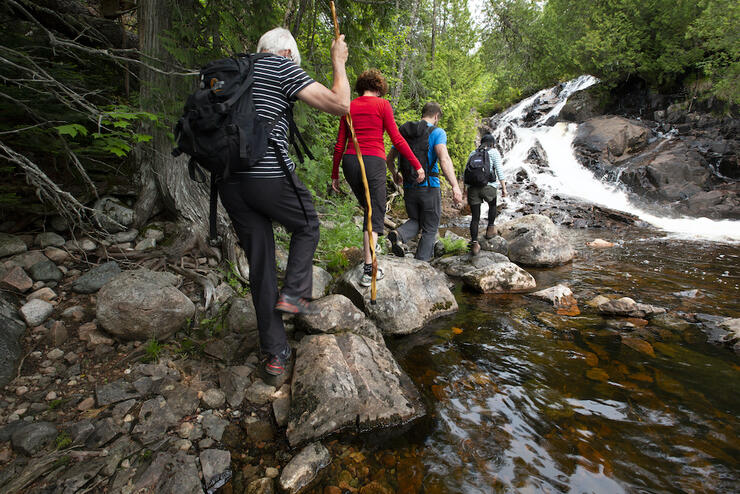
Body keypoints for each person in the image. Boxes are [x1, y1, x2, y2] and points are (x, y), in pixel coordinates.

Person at [216, 27, 350, 378]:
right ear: (288, 53)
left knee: (260, 264)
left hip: (229, 183)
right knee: (307, 224)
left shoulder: (235, 70)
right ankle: (293, 296)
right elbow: (340, 105)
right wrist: (339, 61)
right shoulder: (281, 65)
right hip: (267, 176)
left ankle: (276, 354)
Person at [332, 69, 425, 286]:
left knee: (369, 210)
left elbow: (339, 143)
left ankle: (370, 257)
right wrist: (417, 165)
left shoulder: (349, 106)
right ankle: (369, 270)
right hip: (372, 162)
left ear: (361, 86)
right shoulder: (382, 105)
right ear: (379, 88)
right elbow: (397, 140)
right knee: (374, 215)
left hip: (350, 162)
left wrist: (335, 174)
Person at [386, 102, 463, 261]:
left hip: (409, 186)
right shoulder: (437, 132)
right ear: (436, 116)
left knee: (416, 220)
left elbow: (389, 159)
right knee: (430, 228)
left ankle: (399, 234)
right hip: (429, 187)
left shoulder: (404, 133)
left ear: (423, 113)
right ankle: (421, 264)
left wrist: (395, 174)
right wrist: (455, 186)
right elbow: (444, 159)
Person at [466, 133, 508, 255]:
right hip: (489, 186)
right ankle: (490, 228)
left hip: (473, 188)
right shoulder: (494, 152)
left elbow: (466, 172)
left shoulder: (473, 153)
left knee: (475, 217)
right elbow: (499, 171)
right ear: (492, 144)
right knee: (493, 205)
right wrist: (504, 188)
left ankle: (474, 243)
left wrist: (465, 190)